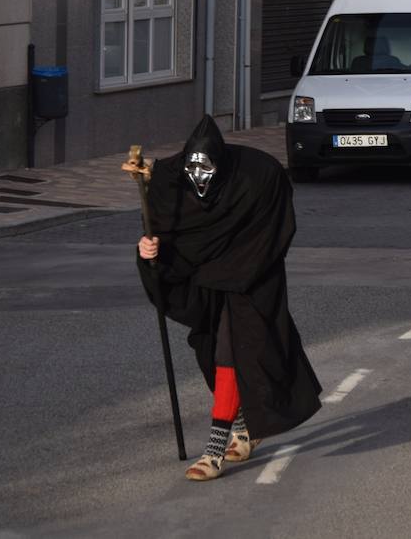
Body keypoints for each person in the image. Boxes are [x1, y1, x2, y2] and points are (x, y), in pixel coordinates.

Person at [123, 115, 322, 481]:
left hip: (251, 272)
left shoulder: (257, 176)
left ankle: (214, 450)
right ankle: (245, 426)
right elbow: (164, 229)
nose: (200, 180)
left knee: (232, 347)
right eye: (193, 172)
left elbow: (274, 228)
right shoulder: (170, 180)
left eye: (207, 172)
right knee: (211, 348)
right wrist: (150, 250)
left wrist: (245, 270)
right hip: (207, 277)